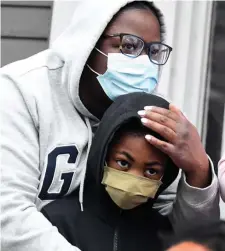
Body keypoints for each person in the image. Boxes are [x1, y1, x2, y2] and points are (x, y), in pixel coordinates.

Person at [0, 1, 219, 251]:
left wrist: (198, 171)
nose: (143, 62)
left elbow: (182, 236)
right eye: (128, 46)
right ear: (88, 42)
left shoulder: (149, 113)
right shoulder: (21, 92)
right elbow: (8, 215)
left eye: (153, 51)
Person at [41, 93, 180, 251]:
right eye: (123, 163)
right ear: (103, 154)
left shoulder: (166, 236)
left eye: (151, 171)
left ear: (166, 175)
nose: (134, 178)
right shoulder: (56, 221)